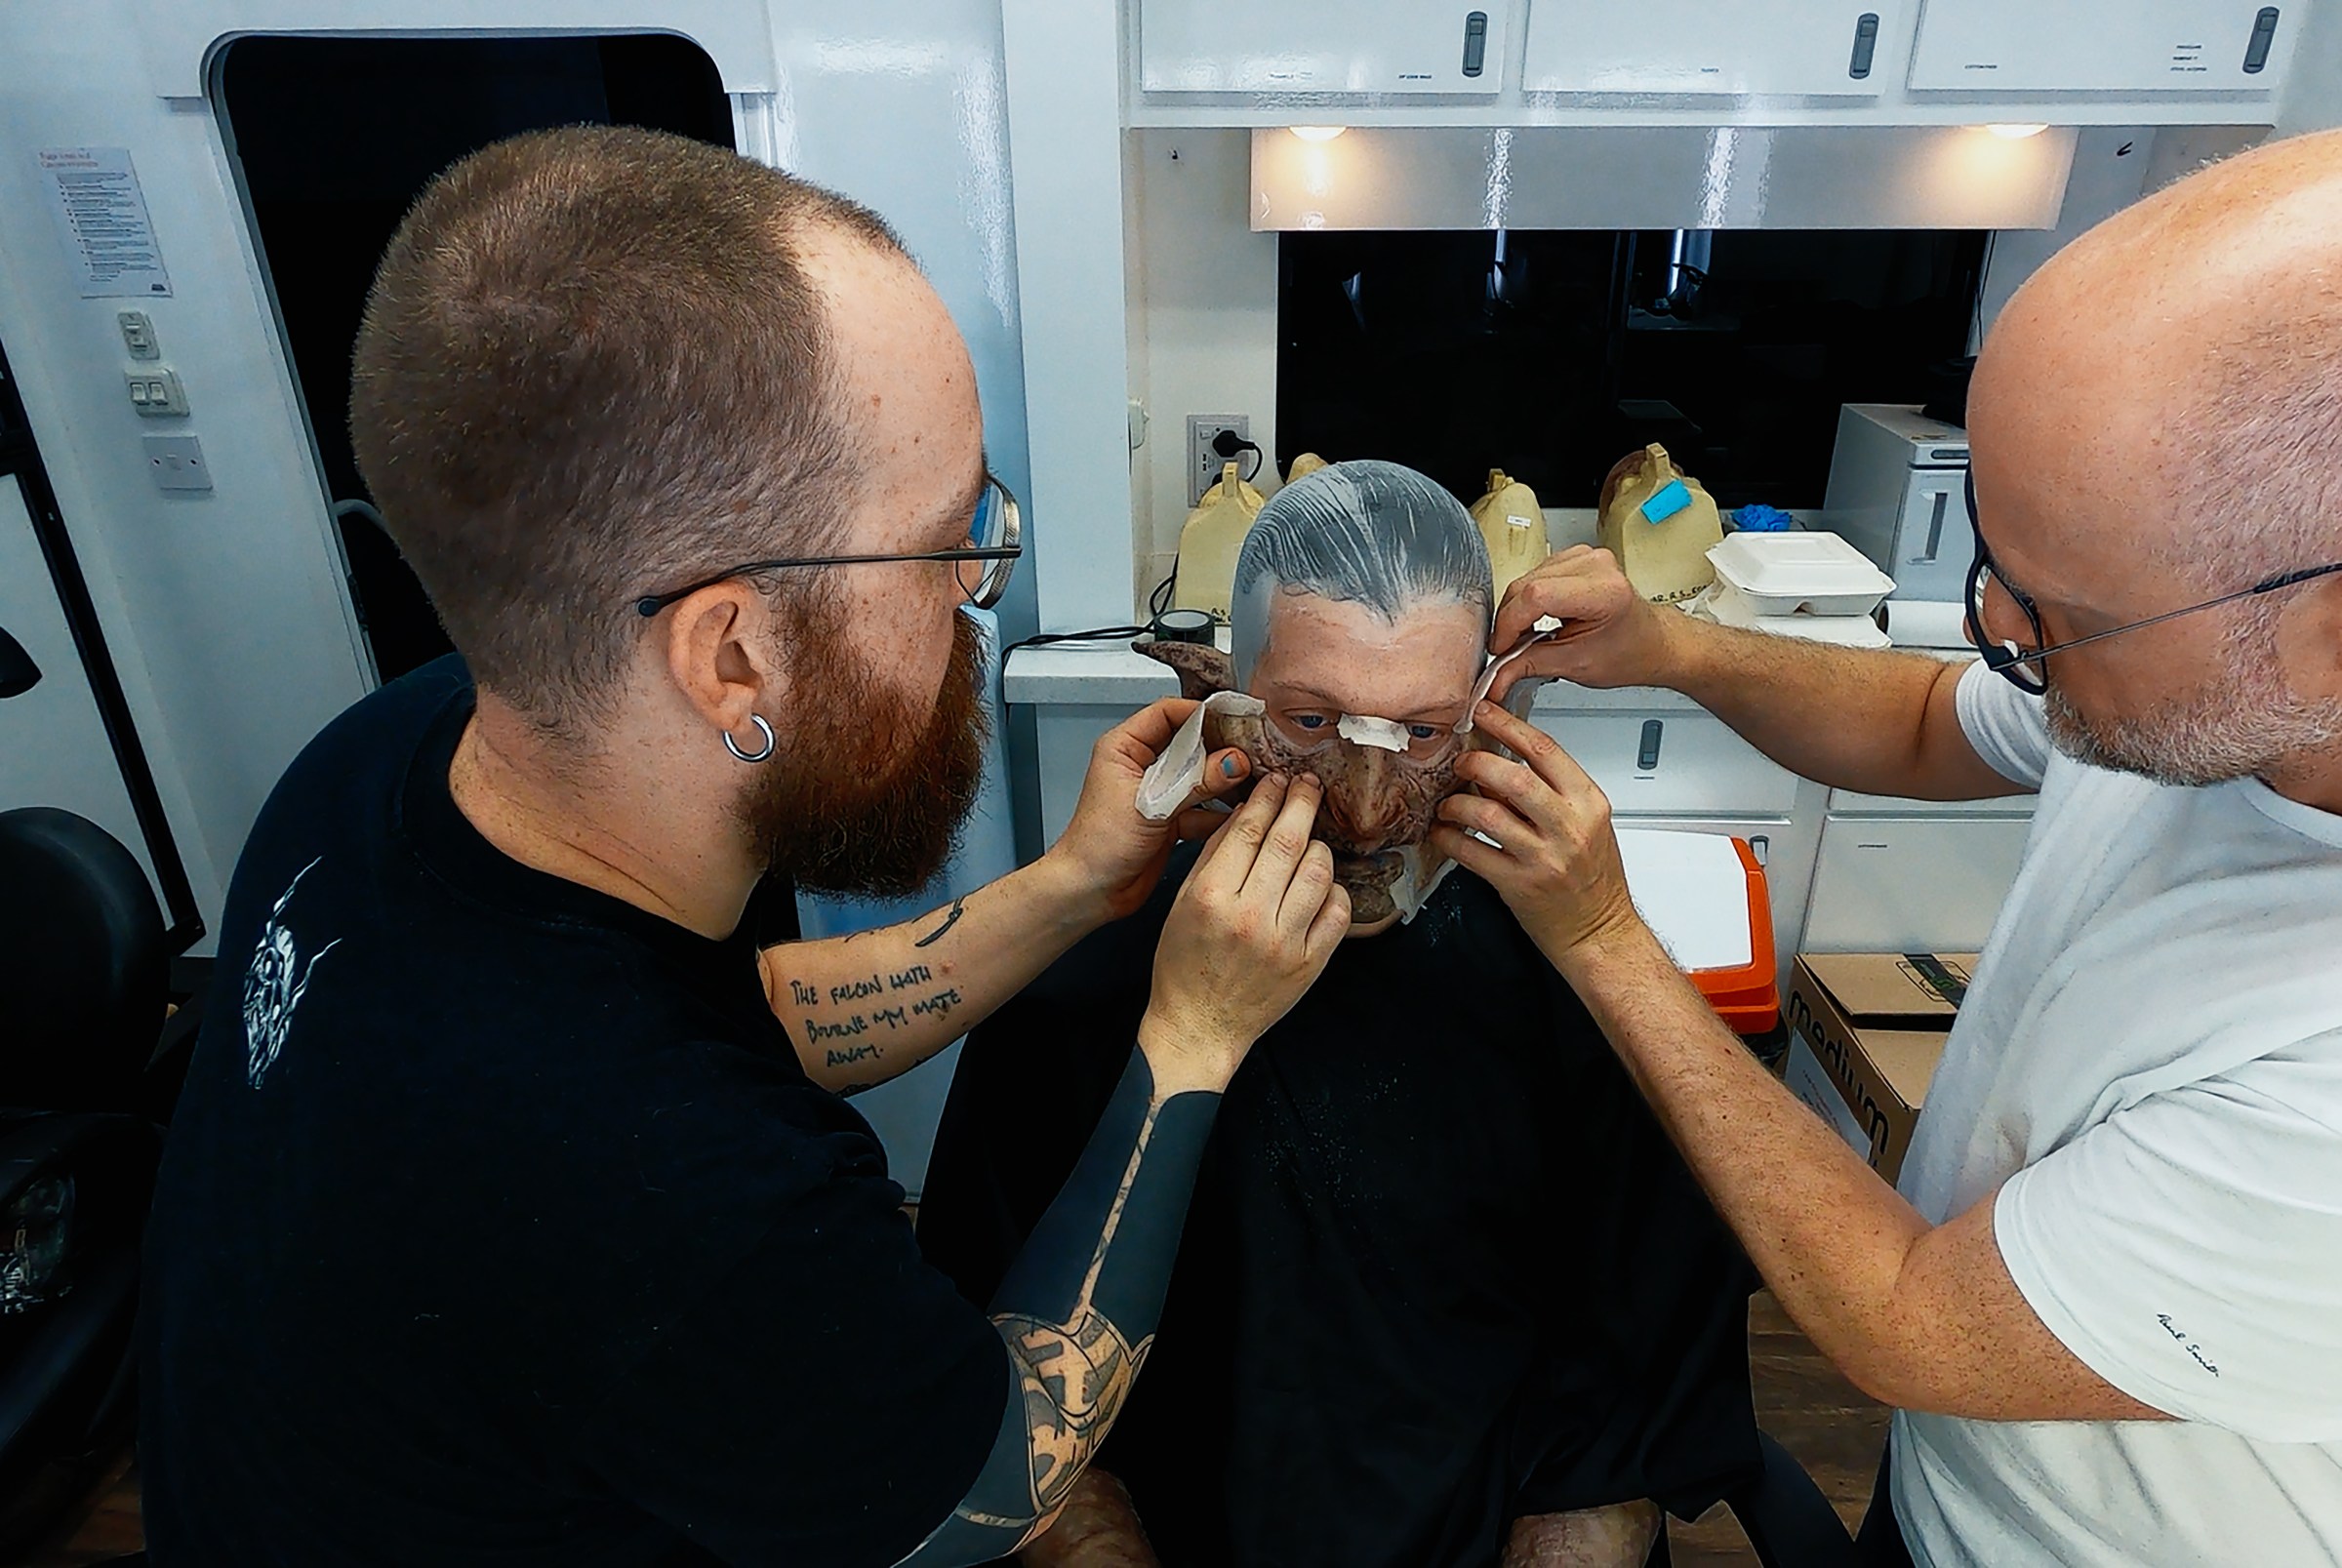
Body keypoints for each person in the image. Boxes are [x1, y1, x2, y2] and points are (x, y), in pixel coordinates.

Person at [139, 126, 1353, 1567]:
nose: (979, 588)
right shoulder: (645, 1190)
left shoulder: (402, 751)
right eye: (950, 540)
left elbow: (721, 1023)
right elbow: (997, 1475)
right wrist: (1196, 1030)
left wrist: (1073, 885)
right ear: (732, 658)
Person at [1454, 130, 2342, 1567]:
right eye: (1995, 564)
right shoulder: (2209, 689)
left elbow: (1909, 1317)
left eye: (2050, 613)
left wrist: (1606, 935)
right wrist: (1675, 643)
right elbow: (1937, 716)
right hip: (1947, 1500)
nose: (1997, 632)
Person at [918, 462, 1763, 1568]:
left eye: (1420, 733)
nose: (1366, 810)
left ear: (1491, 714)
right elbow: (1002, 1392)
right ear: (1221, 692)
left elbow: (1617, 1436)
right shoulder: (1074, 984)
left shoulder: (1584, 996)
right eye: (1311, 720)